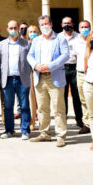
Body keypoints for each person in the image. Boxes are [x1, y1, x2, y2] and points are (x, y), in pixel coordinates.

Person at [27, 15, 69, 147]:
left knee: (58, 108)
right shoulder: (36, 41)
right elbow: (30, 55)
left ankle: (60, 135)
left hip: (54, 76)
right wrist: (35, 65)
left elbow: (65, 55)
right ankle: (44, 133)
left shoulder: (60, 39)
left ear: (51, 24)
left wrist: (50, 66)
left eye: (46, 23)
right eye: (42, 24)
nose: (44, 26)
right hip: (40, 77)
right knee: (42, 108)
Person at [0, 21, 31, 140]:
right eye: (11, 28)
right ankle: (9, 130)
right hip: (8, 80)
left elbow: (30, 61)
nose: (13, 29)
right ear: (7, 29)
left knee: (24, 105)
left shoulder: (26, 44)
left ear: (18, 28)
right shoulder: (1, 44)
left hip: (22, 79)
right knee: (8, 107)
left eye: (15, 27)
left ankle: (25, 130)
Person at [58, 17, 83, 129]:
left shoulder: (78, 37)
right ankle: (64, 119)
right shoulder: (58, 37)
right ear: (61, 24)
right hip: (62, 67)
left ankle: (79, 119)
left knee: (77, 94)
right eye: (65, 23)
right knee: (62, 95)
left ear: (73, 24)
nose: (67, 25)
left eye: (69, 23)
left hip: (75, 67)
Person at [72, 20, 92, 134]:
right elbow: (75, 56)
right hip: (80, 73)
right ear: (79, 29)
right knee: (83, 100)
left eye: (86, 27)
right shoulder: (75, 42)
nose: (84, 29)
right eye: (82, 27)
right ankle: (87, 124)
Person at [27, 25, 40, 131]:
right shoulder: (26, 44)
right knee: (32, 99)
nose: (32, 33)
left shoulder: (41, 42)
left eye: (34, 31)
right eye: (30, 31)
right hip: (30, 73)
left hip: (41, 72)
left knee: (42, 98)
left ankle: (43, 121)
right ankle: (33, 121)